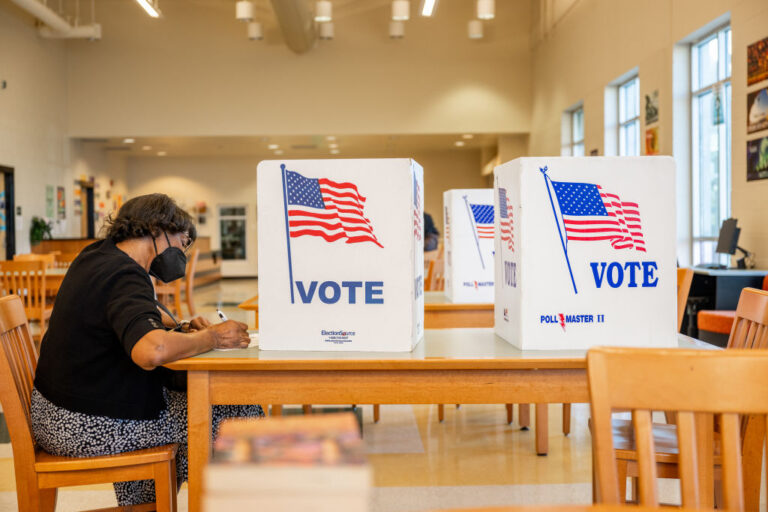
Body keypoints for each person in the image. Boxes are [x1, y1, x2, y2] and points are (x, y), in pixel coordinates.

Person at [30, 193, 263, 506]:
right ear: (158, 230)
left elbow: (130, 333)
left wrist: (181, 332)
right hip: (80, 424)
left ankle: (145, 505)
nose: (183, 251)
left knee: (188, 412)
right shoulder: (124, 275)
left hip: (59, 411)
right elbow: (150, 351)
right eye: (183, 241)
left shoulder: (98, 256)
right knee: (235, 412)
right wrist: (213, 339)